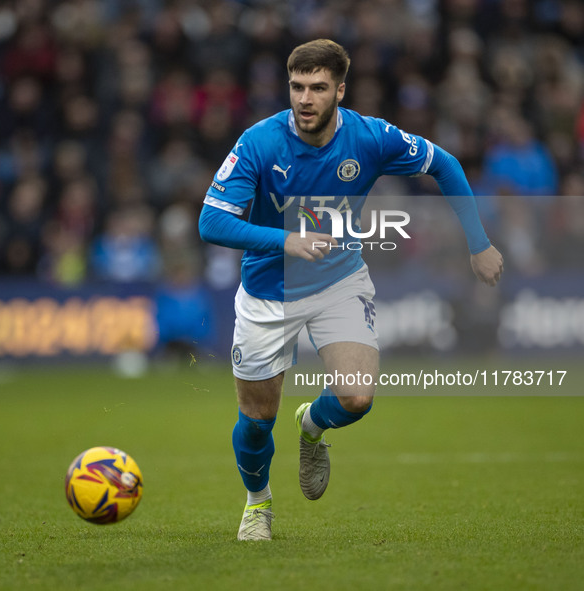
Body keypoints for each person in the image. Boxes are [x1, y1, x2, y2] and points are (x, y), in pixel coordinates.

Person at [198, 39, 503, 541]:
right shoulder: (258, 142)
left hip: (339, 280)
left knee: (357, 397)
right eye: (297, 86)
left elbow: (444, 164)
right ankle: (258, 503)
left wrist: (478, 243)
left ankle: (313, 426)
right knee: (256, 420)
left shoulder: (370, 137)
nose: (305, 98)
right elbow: (211, 221)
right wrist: (285, 239)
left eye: (318, 87)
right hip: (266, 292)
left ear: (340, 90)